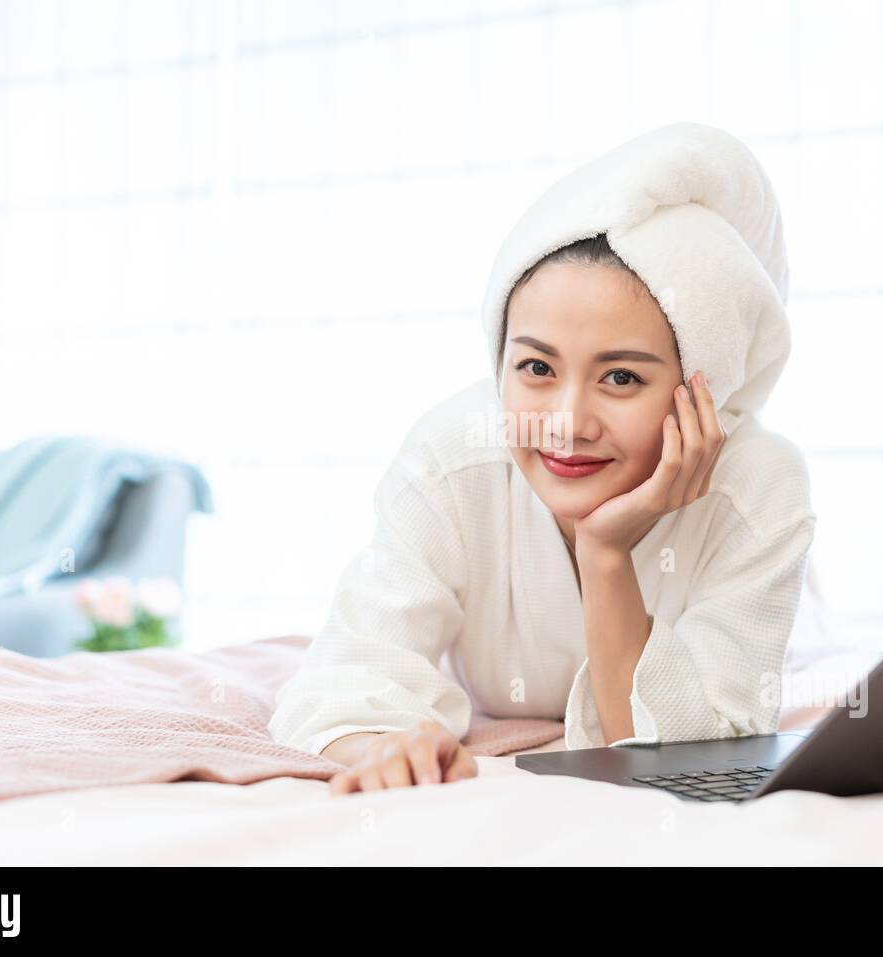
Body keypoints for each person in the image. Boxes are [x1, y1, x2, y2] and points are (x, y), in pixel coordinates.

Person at [267, 122, 818, 796]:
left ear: (702, 389)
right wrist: (388, 747)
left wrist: (606, 551)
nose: (565, 424)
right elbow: (345, 679)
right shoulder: (453, 457)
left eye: (621, 378)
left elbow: (690, 753)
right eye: (534, 366)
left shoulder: (758, 487)